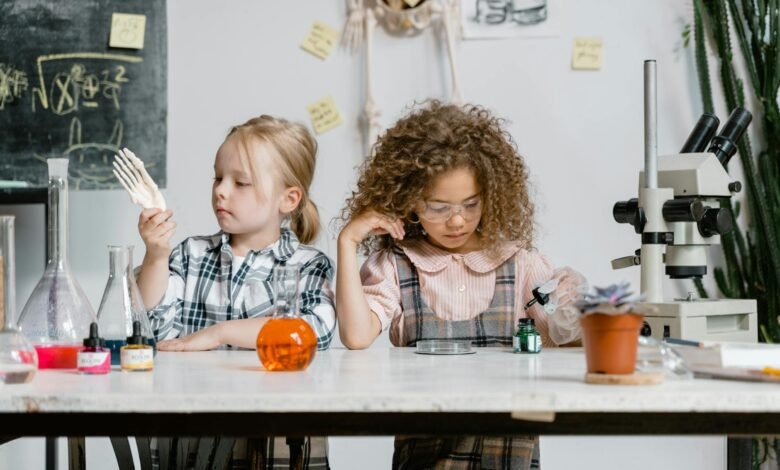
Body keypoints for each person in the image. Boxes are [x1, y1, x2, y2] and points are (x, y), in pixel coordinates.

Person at [336, 100, 585, 469]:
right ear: (409, 202)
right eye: (438, 207)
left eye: (471, 204)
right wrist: (347, 242)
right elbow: (356, 337)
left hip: (508, 453)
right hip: (425, 454)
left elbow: (569, 342)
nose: (457, 221)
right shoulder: (397, 265)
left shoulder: (521, 264)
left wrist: (576, 303)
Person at [137, 115, 335, 469]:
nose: (220, 190)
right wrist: (156, 255)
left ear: (288, 199)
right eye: (218, 177)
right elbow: (151, 331)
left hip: (278, 444)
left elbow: (311, 334)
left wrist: (219, 333)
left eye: (240, 182)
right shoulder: (189, 255)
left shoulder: (308, 265)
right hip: (192, 443)